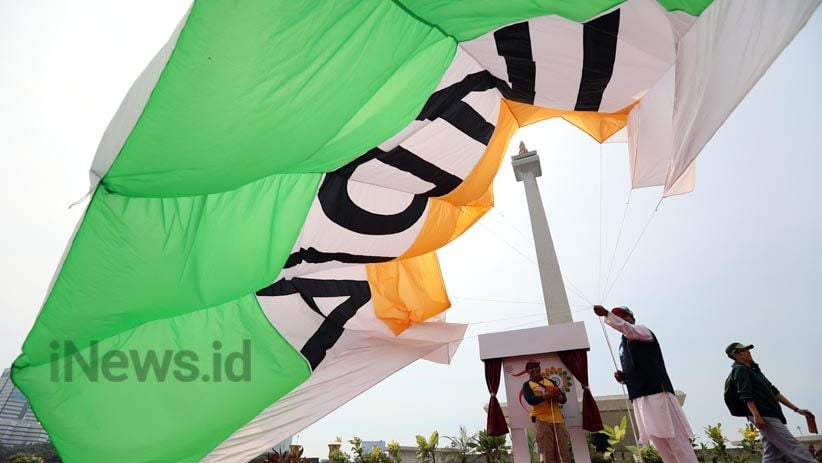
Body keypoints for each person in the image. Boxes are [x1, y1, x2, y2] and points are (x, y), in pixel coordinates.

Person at [594, 305, 698, 463]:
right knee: (658, 442)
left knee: (675, 439)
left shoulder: (642, 331)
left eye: (623, 315)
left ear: (632, 318)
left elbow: (628, 329)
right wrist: (623, 378)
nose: (620, 319)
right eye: (617, 316)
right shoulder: (622, 345)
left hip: (657, 393)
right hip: (639, 397)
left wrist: (607, 314)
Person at [724, 342, 816, 463]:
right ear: (736, 355)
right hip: (764, 415)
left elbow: (774, 391)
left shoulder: (754, 370)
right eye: (744, 350)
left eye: (747, 350)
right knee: (793, 447)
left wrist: (797, 409)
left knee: (772, 454)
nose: (748, 352)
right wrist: (756, 416)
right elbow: (745, 394)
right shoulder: (740, 370)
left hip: (771, 413)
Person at [521, 359, 571, 463]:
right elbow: (530, 400)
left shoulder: (550, 381)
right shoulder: (527, 385)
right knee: (548, 452)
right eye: (531, 367)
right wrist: (545, 397)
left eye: (536, 366)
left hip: (558, 420)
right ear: (527, 371)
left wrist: (559, 398)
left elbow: (564, 398)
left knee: (563, 452)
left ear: (540, 368)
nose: (534, 369)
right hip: (542, 420)